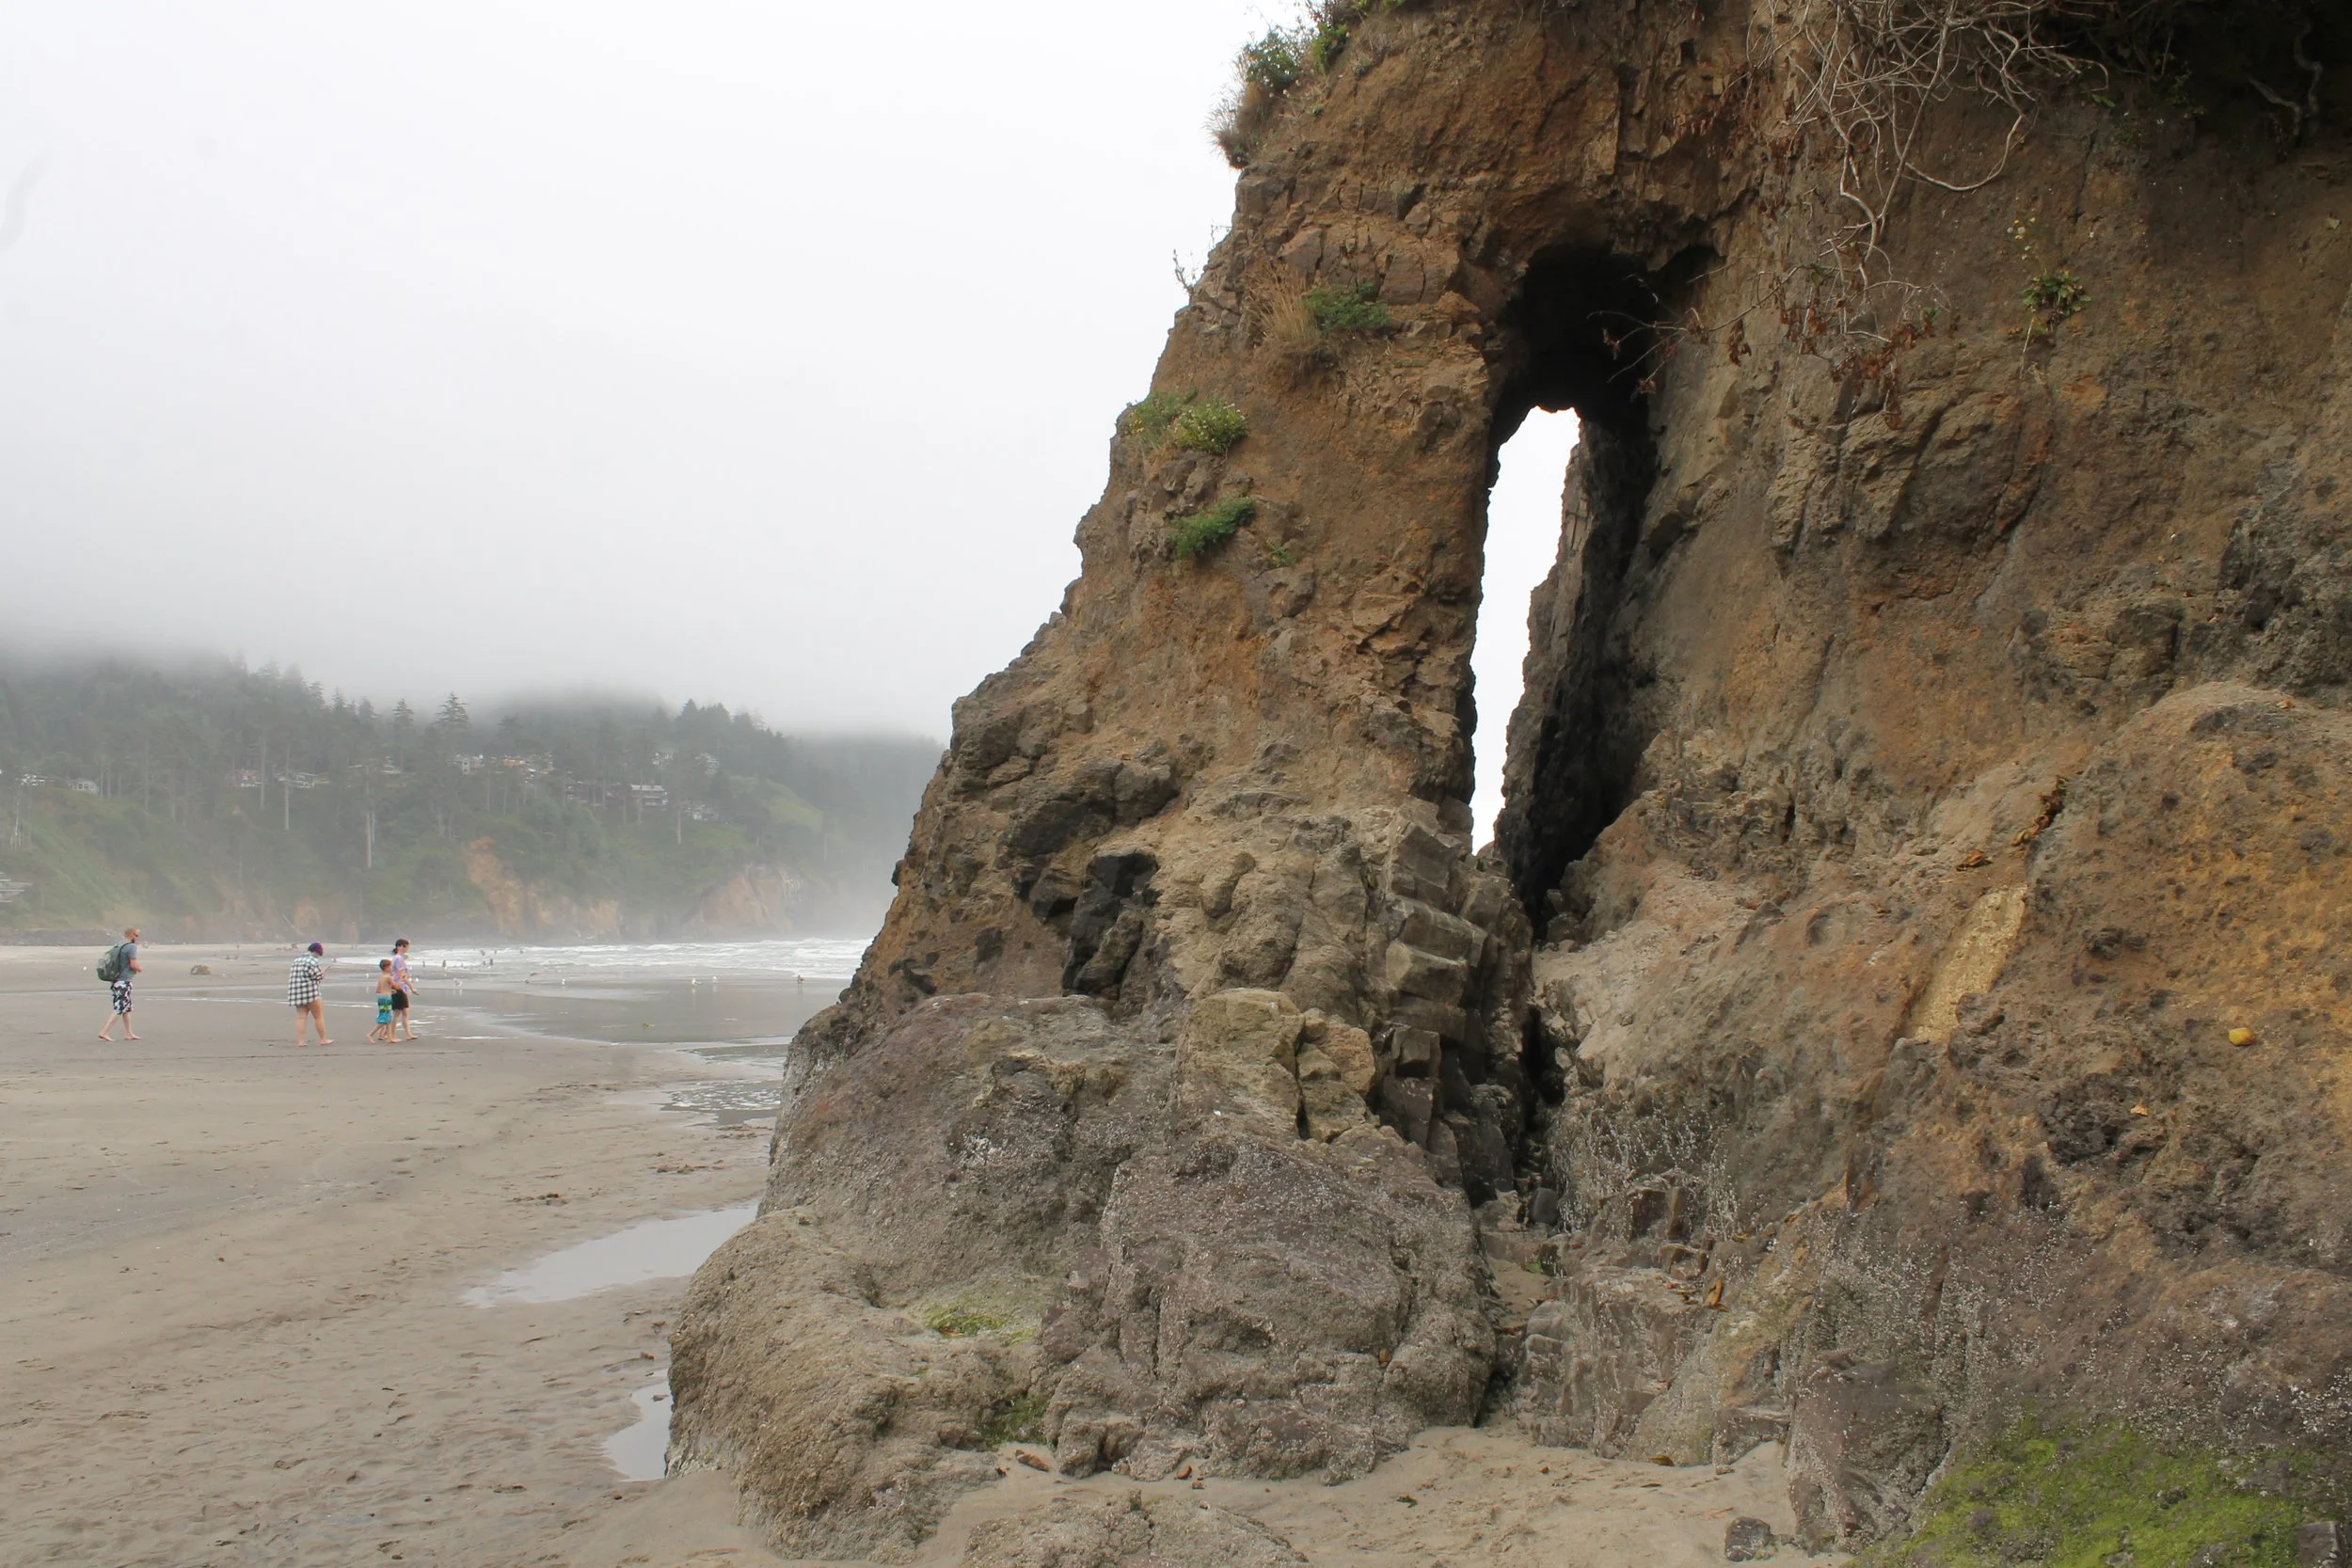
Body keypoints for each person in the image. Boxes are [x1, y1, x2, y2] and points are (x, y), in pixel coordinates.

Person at [97, 926, 142, 1041]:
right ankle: (104, 1031)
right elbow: (133, 964)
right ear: (132, 935)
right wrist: (139, 968)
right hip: (124, 981)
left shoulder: (119, 945)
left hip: (116, 981)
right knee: (119, 1008)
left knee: (126, 1009)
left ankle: (129, 1033)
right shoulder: (131, 947)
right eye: (136, 935)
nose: (137, 937)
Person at [289, 941, 332, 1047]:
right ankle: (323, 1039)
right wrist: (324, 971)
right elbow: (318, 977)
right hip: (311, 993)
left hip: (297, 993)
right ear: (317, 952)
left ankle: (301, 1041)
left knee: (301, 1017)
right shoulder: (313, 961)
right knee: (318, 1016)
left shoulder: (297, 960)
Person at [389, 937, 420, 1040]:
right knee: (397, 1012)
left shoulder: (396, 958)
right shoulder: (399, 959)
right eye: (407, 947)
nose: (407, 949)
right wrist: (412, 987)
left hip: (399, 986)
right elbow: (402, 975)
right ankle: (391, 1036)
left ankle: (408, 1034)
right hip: (399, 987)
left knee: (405, 1012)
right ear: (401, 946)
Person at [369, 958, 397, 1043]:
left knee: (388, 1018)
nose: (391, 968)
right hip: (386, 998)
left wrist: (389, 990)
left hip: (381, 997)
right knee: (384, 1019)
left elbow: (378, 989)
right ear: (386, 968)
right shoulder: (388, 977)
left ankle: (390, 1038)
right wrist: (402, 979)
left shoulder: (381, 977)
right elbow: (396, 986)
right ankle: (370, 1034)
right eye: (390, 966)